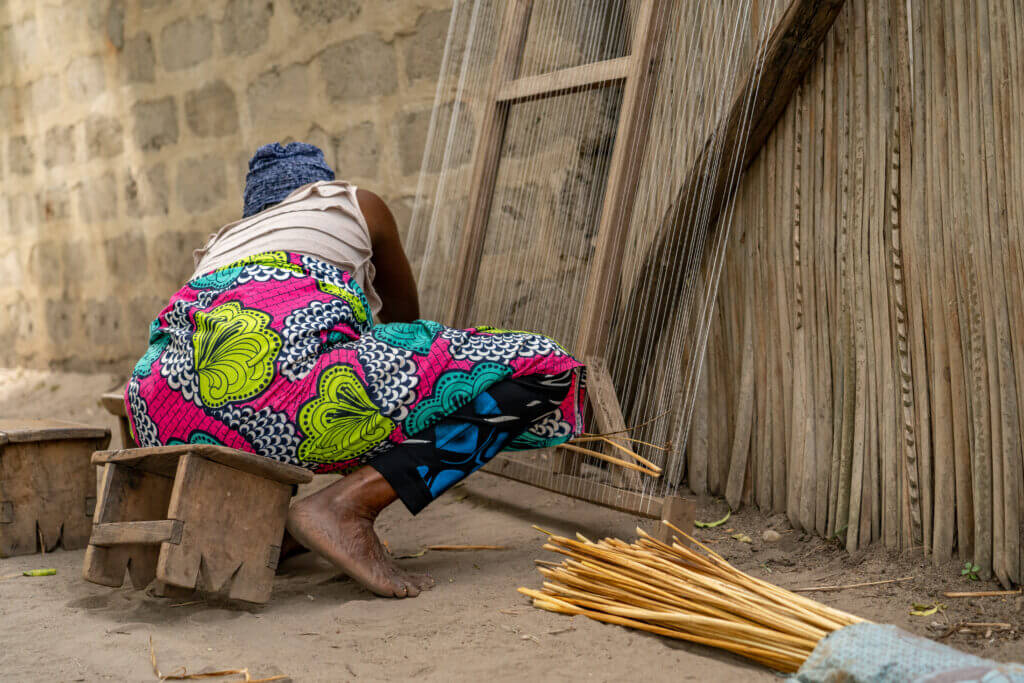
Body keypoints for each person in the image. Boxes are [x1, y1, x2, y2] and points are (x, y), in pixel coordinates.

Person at [125, 142, 586, 598]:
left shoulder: (221, 243)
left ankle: (278, 531)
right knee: (545, 365)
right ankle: (346, 507)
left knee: (277, 381)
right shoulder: (353, 202)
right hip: (278, 399)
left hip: (161, 417)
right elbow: (406, 323)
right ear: (320, 184)